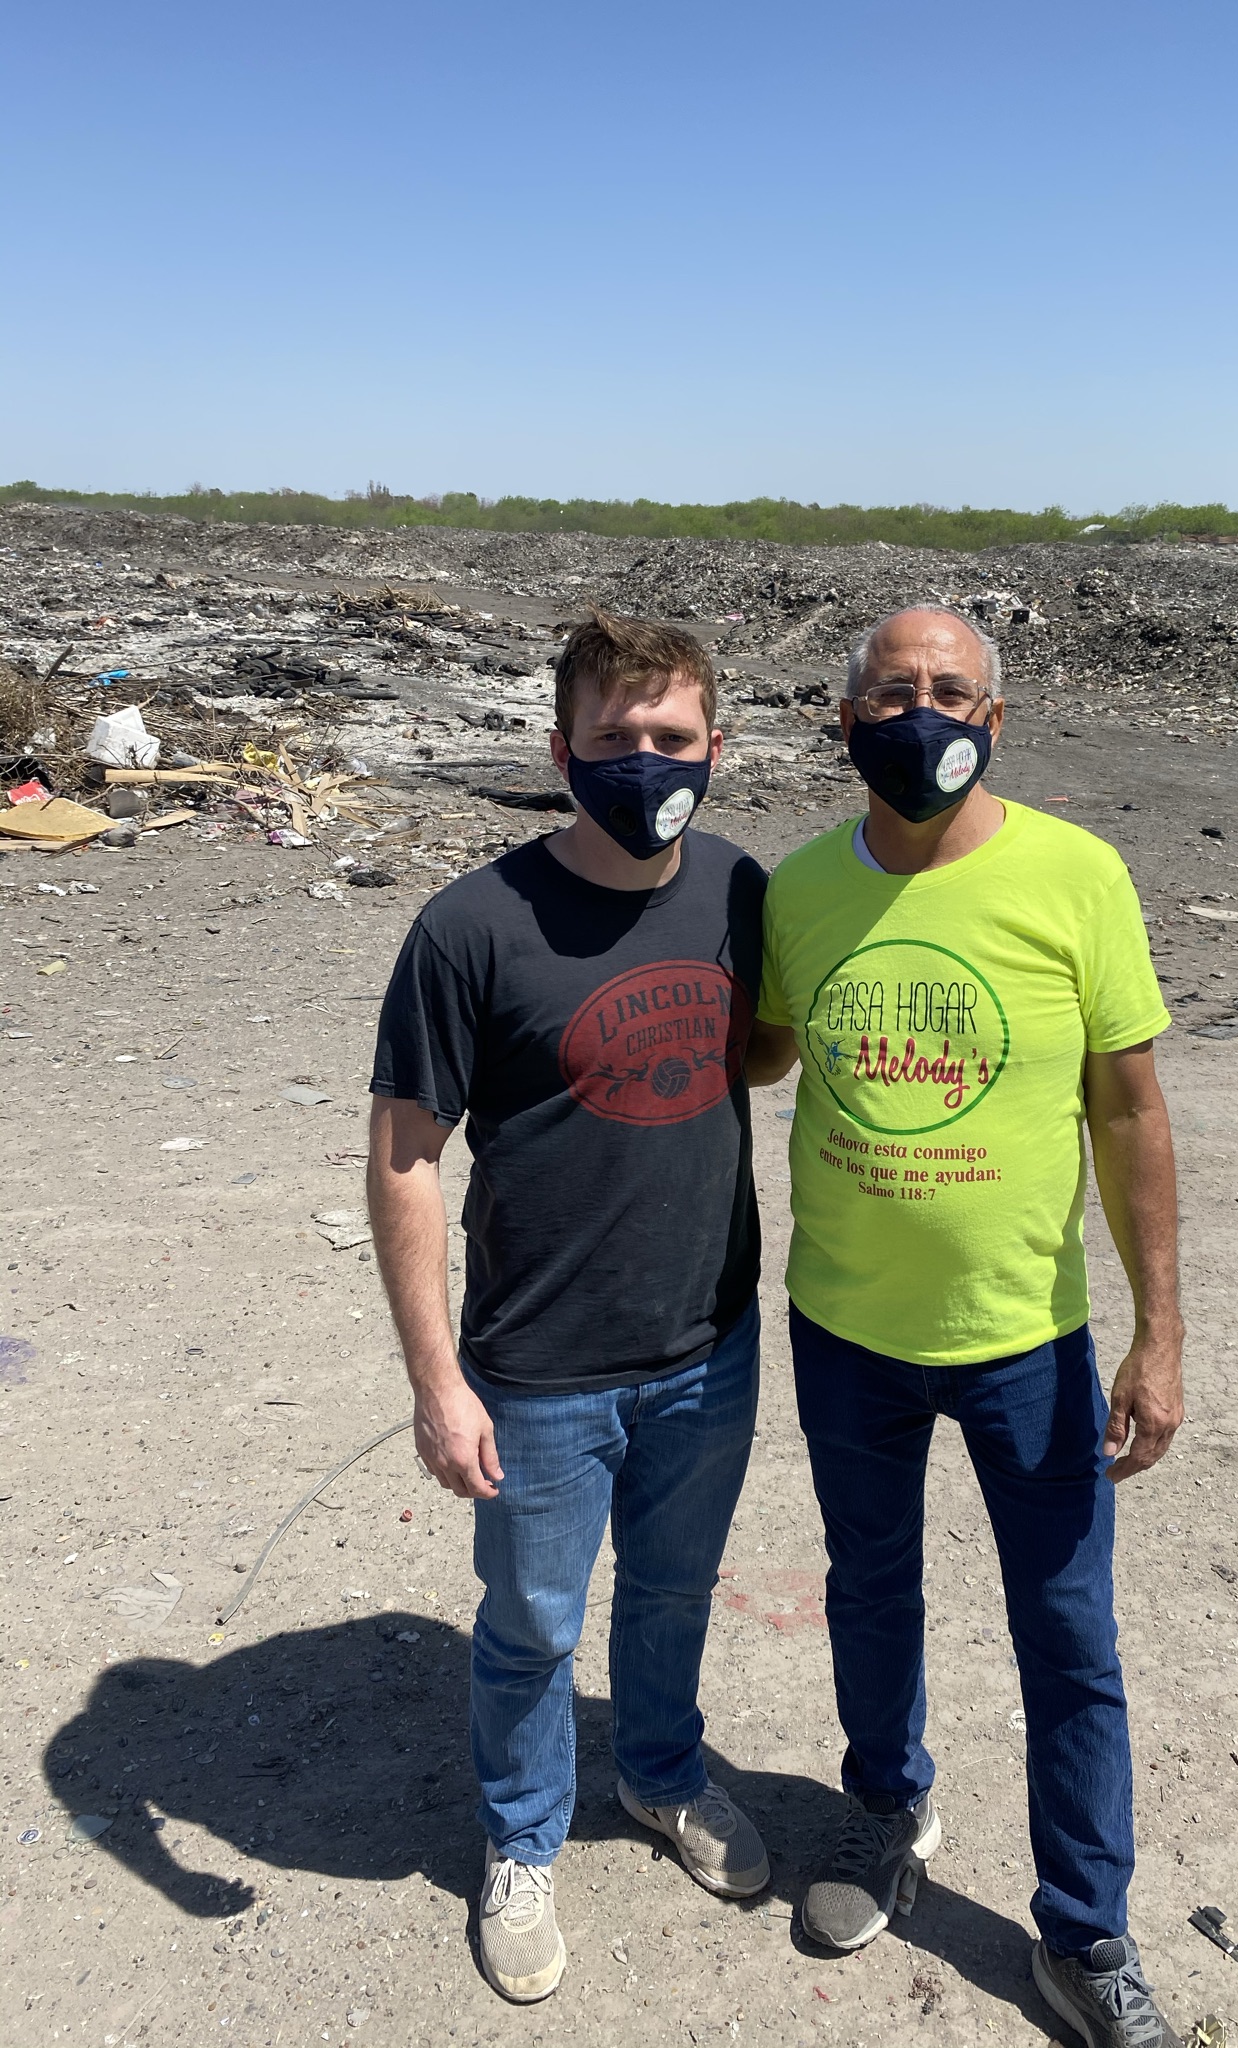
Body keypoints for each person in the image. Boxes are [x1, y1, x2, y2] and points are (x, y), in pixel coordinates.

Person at [749, 606, 1186, 2048]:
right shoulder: (801, 889)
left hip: (1026, 1340)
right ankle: (886, 1807)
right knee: (870, 1589)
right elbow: (757, 1048)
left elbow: (1130, 1110)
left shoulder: (1077, 875)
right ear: (844, 720)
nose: (921, 713)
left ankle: (1086, 1931)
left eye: (951, 691)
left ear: (995, 722)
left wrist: (1160, 1331)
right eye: (893, 691)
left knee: (1067, 1632)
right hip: (846, 1330)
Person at [367, 611, 771, 2007]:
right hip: (539, 1368)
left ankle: (660, 1774)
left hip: (708, 1345)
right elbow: (406, 1158)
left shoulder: (741, 891)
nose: (645, 759)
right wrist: (438, 1383)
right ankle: (524, 1835)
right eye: (615, 735)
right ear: (560, 750)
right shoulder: (471, 926)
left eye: (672, 735)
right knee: (534, 1624)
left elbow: (766, 1053)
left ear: (715, 747)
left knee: (671, 1591)